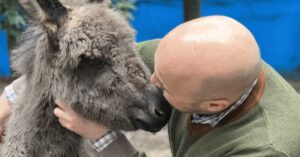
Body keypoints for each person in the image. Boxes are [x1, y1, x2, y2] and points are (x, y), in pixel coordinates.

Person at [1, 15, 300, 157]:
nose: (150, 80)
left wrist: (103, 137)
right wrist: (7, 101)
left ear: (214, 106)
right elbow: (76, 68)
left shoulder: (263, 150)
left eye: (165, 86)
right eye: (156, 70)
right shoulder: (188, 61)